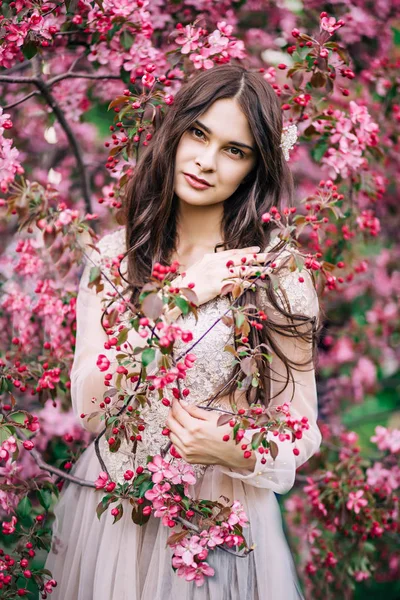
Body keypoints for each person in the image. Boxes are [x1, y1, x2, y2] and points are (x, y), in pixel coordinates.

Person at [44, 64, 322, 600]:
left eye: (234, 150)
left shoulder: (277, 272)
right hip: (117, 512)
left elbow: (301, 425)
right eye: (199, 133)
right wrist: (182, 295)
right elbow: (91, 407)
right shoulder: (113, 260)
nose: (206, 161)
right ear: (176, 131)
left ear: (253, 169)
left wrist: (237, 448)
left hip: (220, 522)